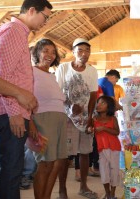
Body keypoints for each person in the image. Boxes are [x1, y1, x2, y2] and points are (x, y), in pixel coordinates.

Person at [0, 0, 52, 198]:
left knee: (14, 169)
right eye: (45, 16)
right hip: (8, 111)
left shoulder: (19, 33)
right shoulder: (13, 31)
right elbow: (2, 75)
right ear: (32, 10)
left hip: (15, 110)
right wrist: (14, 113)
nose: (46, 21)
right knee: (11, 170)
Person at [55, 38, 98, 199]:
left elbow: (93, 95)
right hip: (67, 118)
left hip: (86, 118)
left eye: (87, 50)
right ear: (73, 52)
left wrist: (91, 117)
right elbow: (57, 92)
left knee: (85, 153)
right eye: (80, 50)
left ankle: (84, 186)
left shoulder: (92, 71)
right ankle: (62, 190)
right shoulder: (63, 68)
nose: (84, 53)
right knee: (65, 155)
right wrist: (70, 104)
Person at [30, 38, 68, 199]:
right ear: (37, 53)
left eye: (53, 52)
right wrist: (30, 123)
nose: (50, 55)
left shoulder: (52, 75)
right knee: (45, 163)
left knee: (57, 163)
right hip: (43, 118)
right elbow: (25, 98)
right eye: (45, 50)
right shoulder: (31, 71)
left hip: (60, 118)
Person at [92, 96, 121, 199]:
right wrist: (90, 129)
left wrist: (104, 128)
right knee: (103, 170)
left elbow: (117, 132)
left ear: (109, 107)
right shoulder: (94, 119)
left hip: (114, 148)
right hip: (101, 148)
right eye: (98, 103)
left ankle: (112, 193)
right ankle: (107, 193)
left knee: (114, 170)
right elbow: (89, 130)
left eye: (103, 103)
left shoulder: (113, 119)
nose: (99, 105)